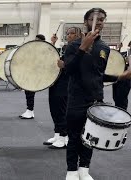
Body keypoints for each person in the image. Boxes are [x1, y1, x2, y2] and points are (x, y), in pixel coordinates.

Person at [64, 8, 131, 180]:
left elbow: (98, 74)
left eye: (102, 19)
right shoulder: (72, 45)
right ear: (86, 21)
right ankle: (71, 171)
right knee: (73, 137)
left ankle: (84, 169)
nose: (99, 22)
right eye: (95, 19)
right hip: (75, 98)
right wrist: (82, 48)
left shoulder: (103, 48)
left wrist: (119, 76)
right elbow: (69, 70)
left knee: (90, 137)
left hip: (95, 99)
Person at [44, 27, 81, 149]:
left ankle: (64, 137)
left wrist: (64, 65)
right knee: (54, 108)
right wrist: (53, 44)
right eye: (67, 33)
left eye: (71, 33)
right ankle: (57, 134)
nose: (68, 35)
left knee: (61, 110)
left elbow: (78, 65)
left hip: (66, 83)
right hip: (57, 82)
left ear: (79, 34)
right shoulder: (68, 47)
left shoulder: (79, 47)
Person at [19, 34, 45, 119]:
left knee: (30, 93)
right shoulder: (34, 49)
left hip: (35, 74)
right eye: (35, 39)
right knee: (28, 92)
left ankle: (30, 111)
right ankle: (29, 110)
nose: (35, 40)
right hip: (29, 73)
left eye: (37, 39)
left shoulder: (42, 50)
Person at [112, 42, 131, 110]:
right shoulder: (124, 53)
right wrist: (118, 48)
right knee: (115, 97)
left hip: (125, 80)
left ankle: (122, 115)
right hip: (117, 78)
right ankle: (117, 111)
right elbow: (116, 58)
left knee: (122, 100)